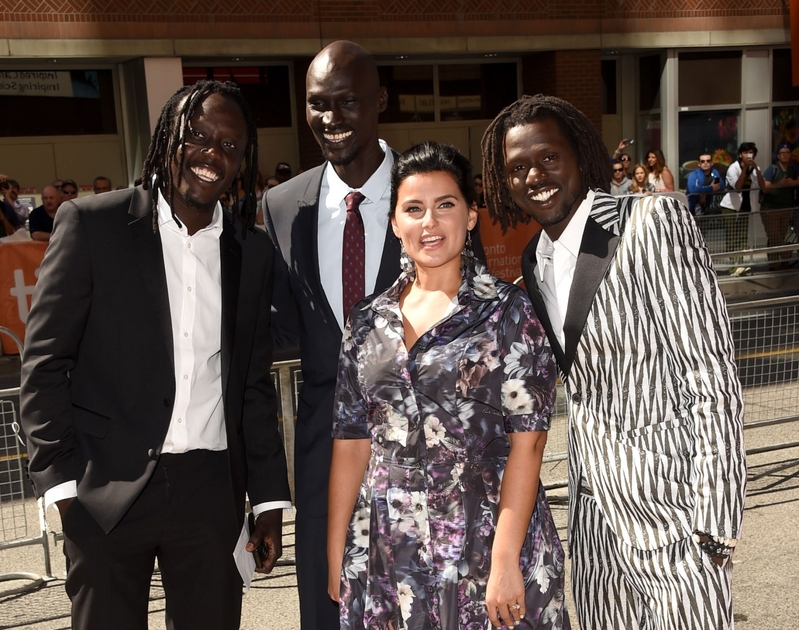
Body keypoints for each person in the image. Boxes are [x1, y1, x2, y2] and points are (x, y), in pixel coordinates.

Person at [20, 80, 291, 630]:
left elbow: (253, 385)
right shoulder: (93, 224)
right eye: (198, 137)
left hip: (211, 494)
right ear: (168, 137)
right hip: (106, 494)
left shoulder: (253, 251)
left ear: (242, 163)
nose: (212, 155)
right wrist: (63, 493)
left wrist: (266, 501)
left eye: (229, 146)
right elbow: (45, 364)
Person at [481, 94, 746, 630]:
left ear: (579, 153)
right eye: (517, 168)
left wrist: (715, 525)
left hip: (676, 522)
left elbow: (711, 374)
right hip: (596, 530)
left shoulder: (652, 222)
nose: (535, 175)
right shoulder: (534, 261)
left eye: (548, 157)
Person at [264, 39, 486, 630]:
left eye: (347, 102)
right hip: (321, 454)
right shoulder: (282, 206)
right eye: (317, 104)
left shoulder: (431, 190)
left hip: (433, 457)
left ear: (380, 100)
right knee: (326, 606)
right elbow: (277, 328)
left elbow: (477, 329)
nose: (331, 119)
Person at [328, 141, 569, 630]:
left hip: (489, 540)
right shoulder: (366, 322)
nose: (429, 223)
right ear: (395, 223)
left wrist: (505, 558)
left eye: (446, 205)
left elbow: (530, 442)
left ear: (471, 216)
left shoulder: (507, 313)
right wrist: (337, 549)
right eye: (413, 209)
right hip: (390, 553)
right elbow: (351, 441)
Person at [720, 142, 766, 270]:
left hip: (746, 206)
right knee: (732, 235)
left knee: (742, 236)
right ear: (740, 154)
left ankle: (740, 263)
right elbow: (738, 187)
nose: (748, 155)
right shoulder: (733, 168)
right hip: (730, 206)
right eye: (745, 153)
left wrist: (756, 169)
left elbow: (763, 186)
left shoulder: (756, 169)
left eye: (750, 152)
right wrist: (745, 169)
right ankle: (733, 265)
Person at [759, 143, 799, 269]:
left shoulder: (793, 169)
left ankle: (778, 262)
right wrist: (779, 183)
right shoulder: (772, 169)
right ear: (778, 156)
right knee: (774, 236)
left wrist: (793, 183)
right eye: (782, 153)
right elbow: (765, 188)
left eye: (787, 152)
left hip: (786, 208)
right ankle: (785, 256)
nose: (785, 155)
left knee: (781, 235)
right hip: (770, 208)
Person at [686, 152, 725, 216]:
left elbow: (721, 187)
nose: (705, 163)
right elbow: (692, 189)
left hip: (708, 207)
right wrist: (711, 188)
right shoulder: (693, 175)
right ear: (699, 164)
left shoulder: (714, 172)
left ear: (712, 163)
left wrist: (704, 192)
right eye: (702, 161)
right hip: (691, 208)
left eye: (708, 161)